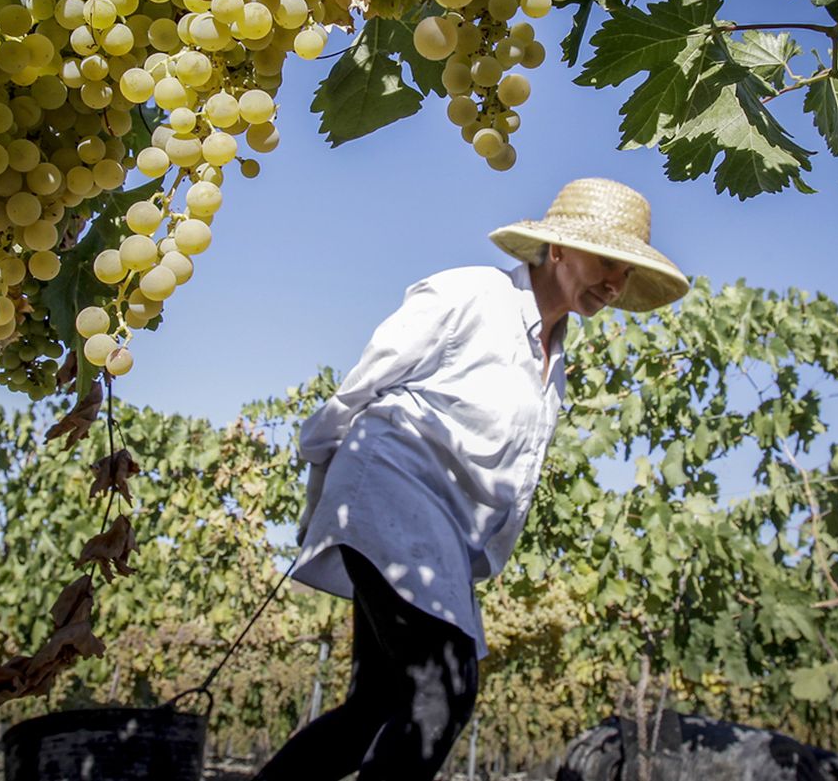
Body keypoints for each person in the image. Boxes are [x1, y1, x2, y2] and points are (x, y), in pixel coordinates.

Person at [252, 177, 689, 781]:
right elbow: (360, 389)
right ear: (558, 248)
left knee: (377, 705)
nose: (615, 284)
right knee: (442, 694)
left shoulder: (555, 358)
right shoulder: (473, 295)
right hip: (389, 499)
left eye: (625, 274)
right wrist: (323, 494)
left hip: (435, 539)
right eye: (607, 263)